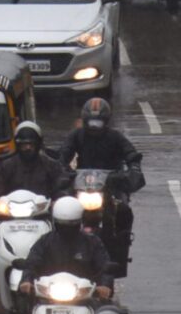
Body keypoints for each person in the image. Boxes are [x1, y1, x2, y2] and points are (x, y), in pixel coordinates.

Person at [60, 98, 143, 261]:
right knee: (60, 205)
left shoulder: (115, 137)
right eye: (91, 122)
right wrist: (61, 167)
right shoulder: (77, 135)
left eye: (98, 122)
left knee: (124, 210)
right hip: (82, 184)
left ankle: (122, 244)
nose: (94, 126)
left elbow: (130, 153)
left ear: (106, 121)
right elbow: (64, 153)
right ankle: (59, 244)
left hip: (111, 183)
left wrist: (133, 165)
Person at [18, 196, 115, 299]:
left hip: (84, 298)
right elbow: (32, 263)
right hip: (47, 297)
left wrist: (105, 285)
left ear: (79, 222)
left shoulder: (92, 243)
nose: (67, 229)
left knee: (108, 313)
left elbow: (104, 266)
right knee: (25, 311)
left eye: (72, 224)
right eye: (62, 224)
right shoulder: (45, 242)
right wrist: (26, 281)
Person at [0, 120, 69, 210]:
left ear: (38, 144)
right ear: (18, 145)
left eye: (31, 144)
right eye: (24, 144)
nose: (28, 148)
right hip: (11, 212)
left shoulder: (50, 165)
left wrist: (59, 201)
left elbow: (61, 185)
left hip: (43, 212)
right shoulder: (7, 166)